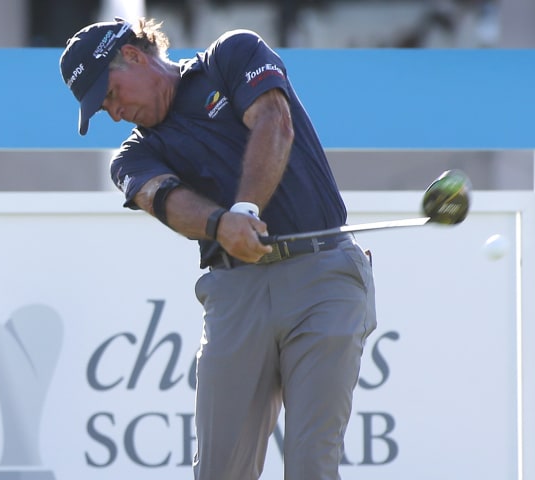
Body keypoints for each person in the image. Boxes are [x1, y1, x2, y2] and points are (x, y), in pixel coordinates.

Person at [59, 17, 377, 480]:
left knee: (312, 462)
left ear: (131, 55)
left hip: (322, 275)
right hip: (235, 293)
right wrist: (219, 224)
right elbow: (161, 198)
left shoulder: (231, 56)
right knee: (219, 471)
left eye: (108, 94)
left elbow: (274, 121)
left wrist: (244, 210)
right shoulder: (132, 156)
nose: (112, 112)